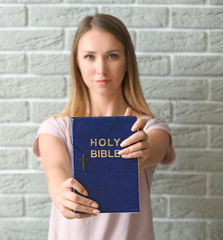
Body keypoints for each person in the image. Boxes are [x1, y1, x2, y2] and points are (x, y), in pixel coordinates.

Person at [33, 14, 176, 240]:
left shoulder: (150, 128)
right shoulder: (55, 128)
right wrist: (63, 196)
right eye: (90, 56)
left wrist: (141, 150)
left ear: (127, 61)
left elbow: (151, 151)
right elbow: (56, 174)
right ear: (77, 62)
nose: (101, 69)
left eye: (112, 56)